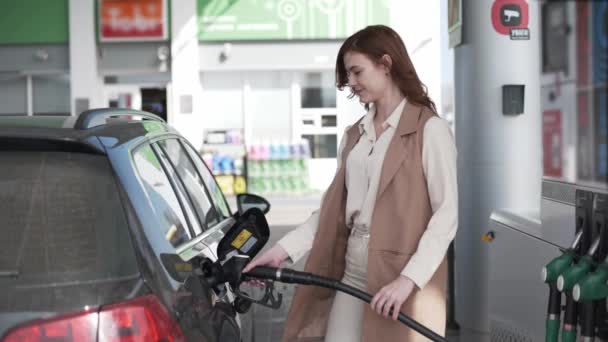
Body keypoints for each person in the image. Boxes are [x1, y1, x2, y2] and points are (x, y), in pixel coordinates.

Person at [243, 25, 458, 342]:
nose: (351, 83)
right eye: (348, 75)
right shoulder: (354, 135)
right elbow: (331, 211)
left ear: (386, 64)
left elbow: (446, 216)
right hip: (352, 270)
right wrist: (281, 251)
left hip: (401, 276)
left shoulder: (429, 130)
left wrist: (407, 281)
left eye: (357, 72)